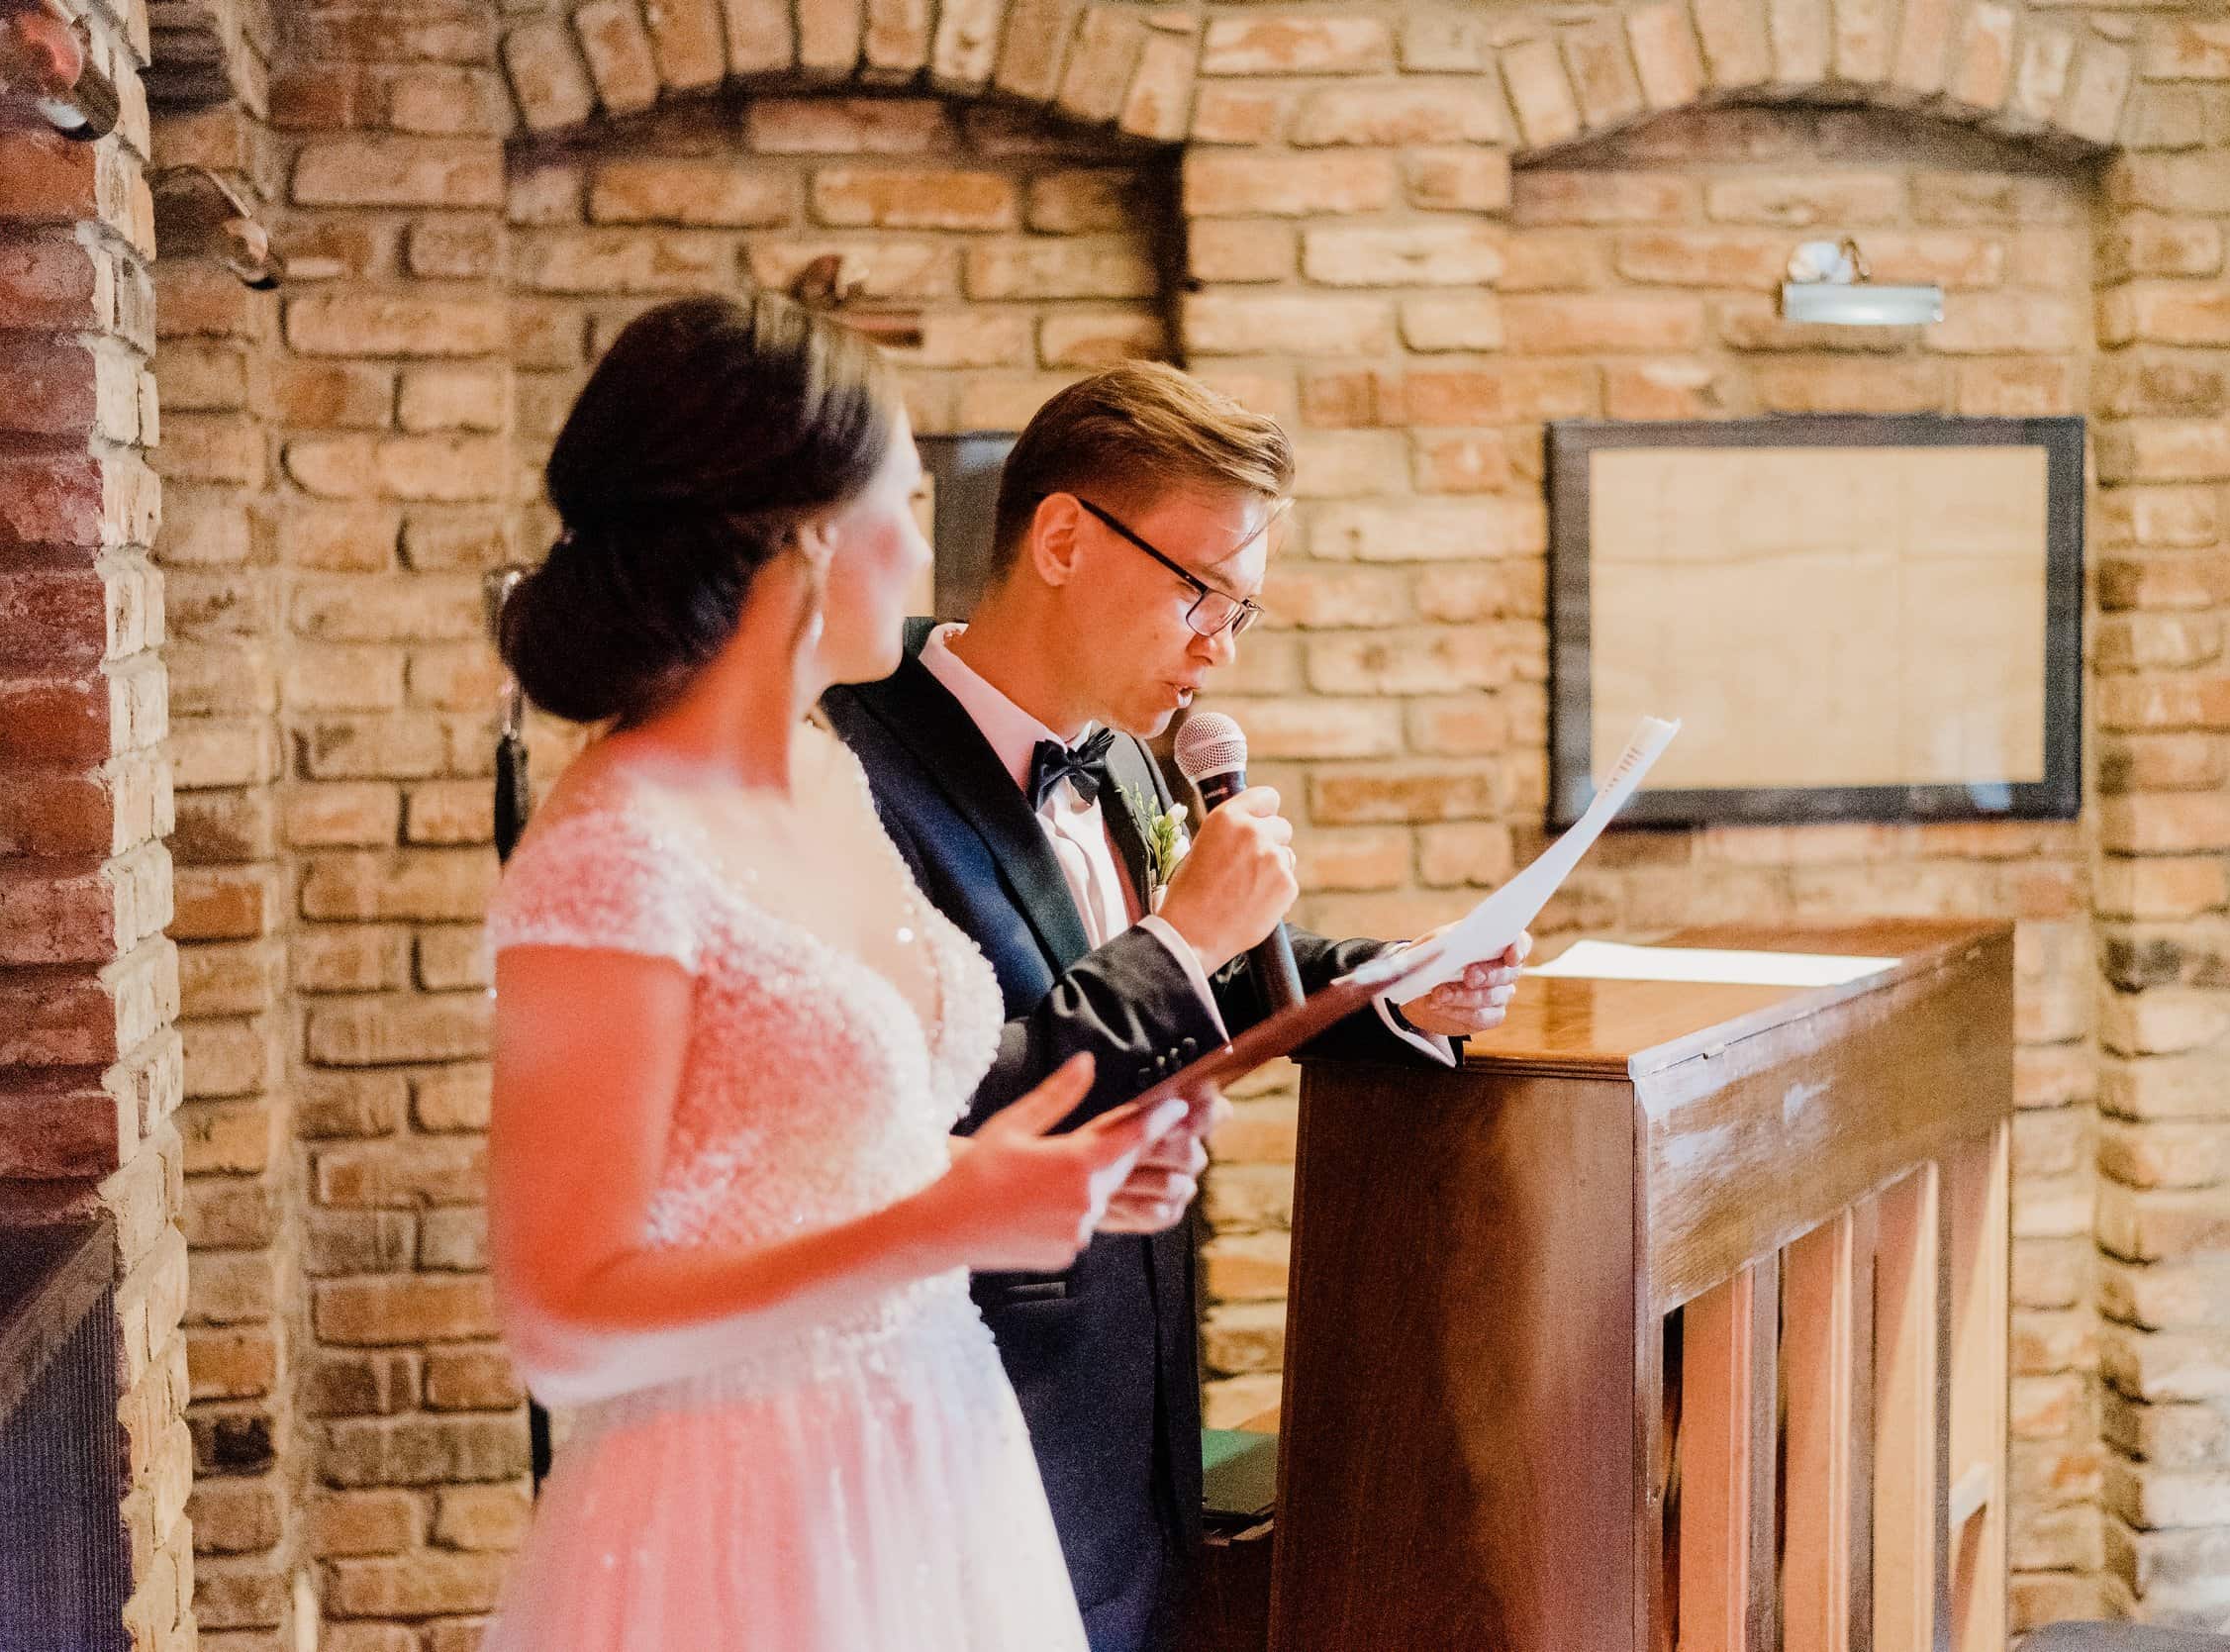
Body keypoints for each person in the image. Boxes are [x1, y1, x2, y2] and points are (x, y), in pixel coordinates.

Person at [475, 296, 1216, 1652]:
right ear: (809, 536)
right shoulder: (613, 852)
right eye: (911, 507)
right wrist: (941, 1221)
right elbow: (561, 1324)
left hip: (939, 1468)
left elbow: (822, 1159)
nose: (931, 554)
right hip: (738, 1519)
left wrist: (1045, 1184)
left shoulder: (827, 776)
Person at [823, 360, 1532, 1652]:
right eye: (1200, 591)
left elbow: (1208, 974)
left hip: (1137, 1426)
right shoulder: (854, 770)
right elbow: (928, 1107)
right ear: (1062, 539)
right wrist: (1184, 934)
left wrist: (1396, 985)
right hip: (973, 1435)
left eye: (1240, 611)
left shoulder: (1127, 760)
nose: (1220, 646)